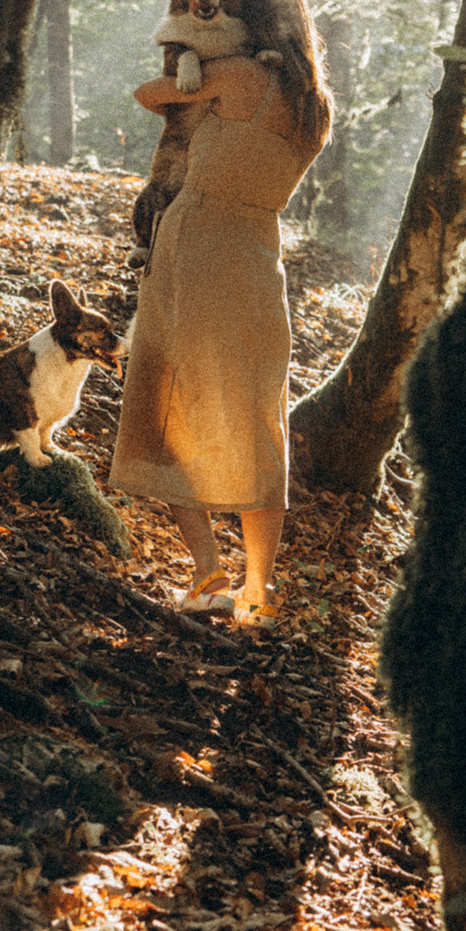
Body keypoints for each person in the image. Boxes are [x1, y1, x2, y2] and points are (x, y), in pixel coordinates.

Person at [111, 52, 329, 630]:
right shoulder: (316, 106)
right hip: (259, 256)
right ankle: (258, 590)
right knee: (260, 418)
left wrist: (202, 67)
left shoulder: (235, 76)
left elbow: (148, 92)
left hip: (196, 242)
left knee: (167, 404)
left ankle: (208, 573)